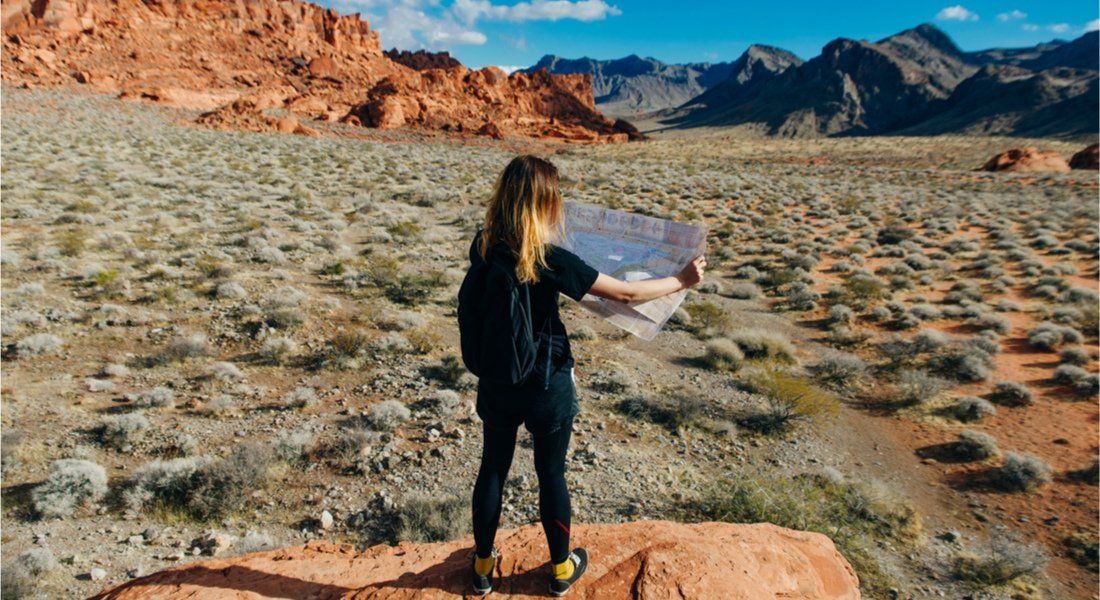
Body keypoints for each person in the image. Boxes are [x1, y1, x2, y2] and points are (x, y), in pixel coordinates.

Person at [465, 155, 705, 597]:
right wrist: (681, 279)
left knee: (493, 468)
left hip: (498, 379)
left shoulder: (483, 245)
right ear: (544, 204)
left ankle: (481, 567)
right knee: (551, 472)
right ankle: (560, 570)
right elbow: (628, 293)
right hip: (546, 381)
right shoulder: (549, 258)